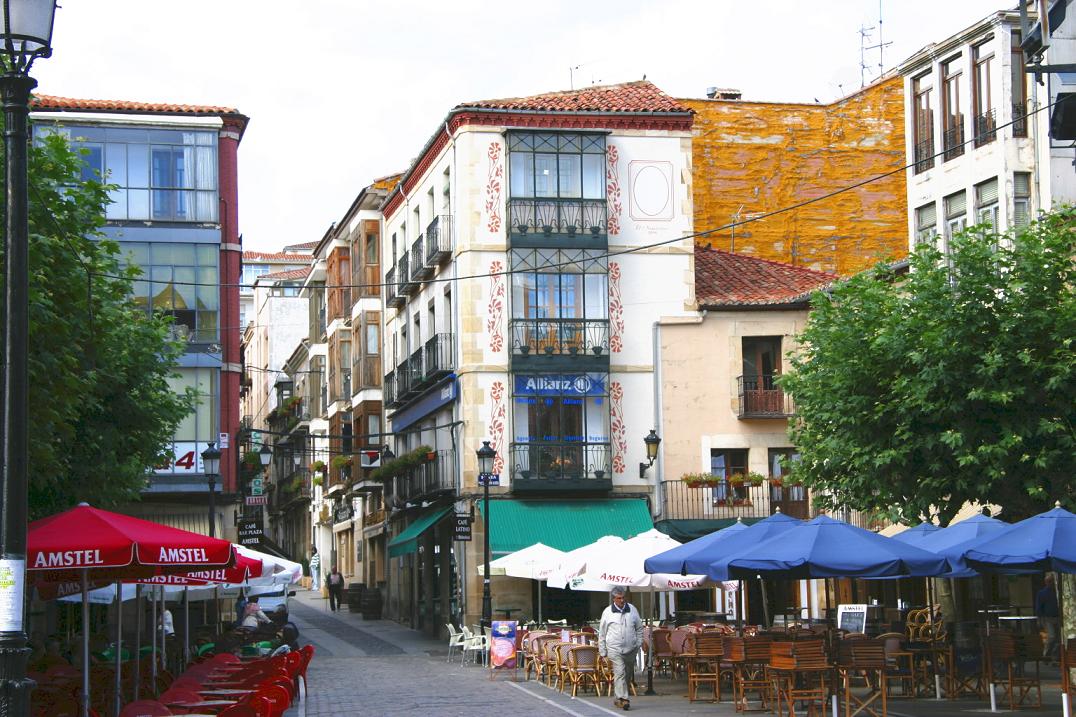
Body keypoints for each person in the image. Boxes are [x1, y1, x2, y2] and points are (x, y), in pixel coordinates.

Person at [598, 586, 643, 711]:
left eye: (623, 598)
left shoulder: (632, 610)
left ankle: (619, 698)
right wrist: (602, 650)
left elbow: (639, 628)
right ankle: (624, 699)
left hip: (630, 648)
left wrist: (638, 643)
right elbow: (602, 633)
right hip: (614, 648)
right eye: (619, 598)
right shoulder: (607, 612)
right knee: (620, 672)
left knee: (627, 674)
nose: (622, 600)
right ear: (614, 599)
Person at [1036, 573, 1059, 662]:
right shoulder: (1042, 593)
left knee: (1058, 638)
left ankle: (1054, 657)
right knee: (1052, 636)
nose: (1050, 583)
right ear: (1046, 582)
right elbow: (1039, 607)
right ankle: (1046, 654)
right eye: (1049, 581)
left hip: (1057, 617)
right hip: (1047, 618)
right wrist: (1040, 619)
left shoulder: (1057, 592)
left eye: (1051, 581)